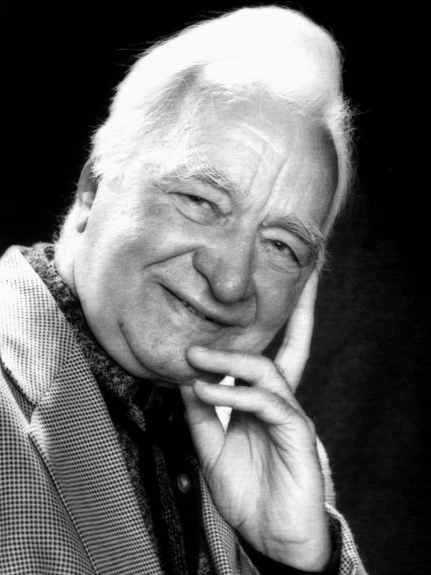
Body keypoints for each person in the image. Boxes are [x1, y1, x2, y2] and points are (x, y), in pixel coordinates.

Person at [0, 5, 367, 574]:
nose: (230, 281)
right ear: (94, 188)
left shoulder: (275, 465)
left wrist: (293, 564)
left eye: (281, 246)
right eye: (201, 202)